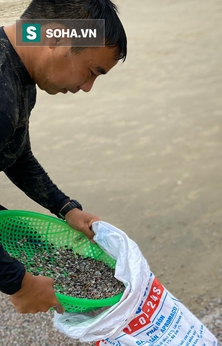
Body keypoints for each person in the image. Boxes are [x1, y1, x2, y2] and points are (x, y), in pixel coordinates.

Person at [0, 0, 127, 314]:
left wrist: (65, 208)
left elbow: (14, 154)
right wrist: (19, 282)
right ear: (55, 38)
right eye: (91, 72)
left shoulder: (19, 69)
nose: (87, 87)